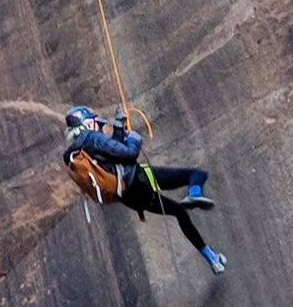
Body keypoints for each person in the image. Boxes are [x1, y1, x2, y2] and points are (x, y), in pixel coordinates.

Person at [63, 105, 226, 275]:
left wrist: (119, 127)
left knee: (179, 212)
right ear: (88, 123)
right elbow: (129, 153)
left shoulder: (77, 152)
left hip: (129, 197)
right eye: (96, 123)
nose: (99, 127)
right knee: (197, 174)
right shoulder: (92, 137)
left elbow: (113, 155)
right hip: (139, 180)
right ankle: (194, 194)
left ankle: (212, 258)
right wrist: (134, 139)